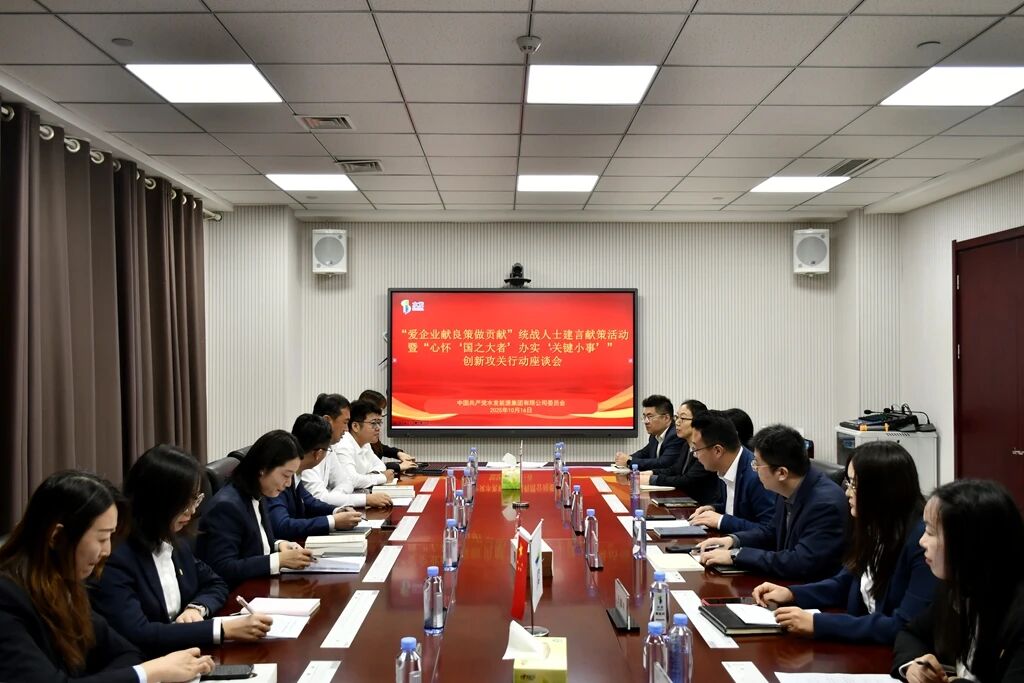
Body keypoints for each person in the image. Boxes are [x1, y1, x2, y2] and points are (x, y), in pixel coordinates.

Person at [0, 470, 214, 683]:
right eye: (102, 538)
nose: (107, 551)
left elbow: (127, 652)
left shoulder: (66, 585)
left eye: (111, 537)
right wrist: (149, 672)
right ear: (57, 537)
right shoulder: (7, 597)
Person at [91, 445, 273, 656]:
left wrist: (196, 607)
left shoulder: (174, 540)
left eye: (196, 499)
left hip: (187, 654)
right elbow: (138, 633)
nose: (192, 511)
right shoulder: (116, 556)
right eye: (185, 502)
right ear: (157, 500)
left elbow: (215, 583)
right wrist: (221, 629)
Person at [752, 442, 935, 643]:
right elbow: (845, 582)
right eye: (848, 483)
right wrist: (791, 594)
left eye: (854, 485)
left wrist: (819, 623)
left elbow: (903, 625)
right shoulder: (875, 527)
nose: (847, 492)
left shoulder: (921, 544)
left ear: (882, 490)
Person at [893, 479, 1024, 682]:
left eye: (931, 532)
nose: (921, 541)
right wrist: (914, 665)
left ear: (969, 543)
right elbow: (911, 634)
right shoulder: (959, 586)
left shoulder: (1017, 613)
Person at [697, 424, 848, 582]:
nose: (754, 469)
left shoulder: (824, 504)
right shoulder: (789, 487)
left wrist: (736, 555)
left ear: (781, 473)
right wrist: (733, 540)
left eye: (757, 464)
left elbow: (800, 562)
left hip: (812, 588)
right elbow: (771, 532)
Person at [197, 430, 314, 587]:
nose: (288, 484)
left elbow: (253, 542)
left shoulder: (258, 492)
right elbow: (222, 568)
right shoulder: (226, 506)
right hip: (237, 593)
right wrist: (279, 560)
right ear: (263, 468)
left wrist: (279, 545)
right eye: (286, 475)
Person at [267, 414, 363, 541]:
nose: (288, 482)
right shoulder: (279, 476)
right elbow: (282, 526)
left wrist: (337, 511)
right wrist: (332, 521)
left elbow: (309, 502)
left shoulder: (296, 473)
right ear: (318, 453)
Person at [684, 410, 775, 533]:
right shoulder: (725, 465)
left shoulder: (757, 476)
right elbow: (734, 508)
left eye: (696, 449)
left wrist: (721, 521)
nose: (695, 455)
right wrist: (713, 509)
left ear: (717, 451)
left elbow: (770, 531)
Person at [302, 396, 393, 509]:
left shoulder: (329, 447)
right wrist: (366, 499)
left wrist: (334, 497)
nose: (346, 429)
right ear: (327, 420)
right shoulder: (308, 452)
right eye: (345, 422)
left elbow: (346, 482)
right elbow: (320, 499)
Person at [638, 399, 721, 505]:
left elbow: (687, 480)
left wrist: (652, 479)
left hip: (701, 506)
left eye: (683, 418)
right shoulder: (686, 445)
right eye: (677, 417)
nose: (677, 422)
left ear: (698, 422)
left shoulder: (705, 448)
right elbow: (675, 470)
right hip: (686, 502)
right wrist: (651, 472)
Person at [614, 395, 683, 471]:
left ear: (666, 418)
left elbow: (663, 463)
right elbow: (643, 453)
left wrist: (629, 461)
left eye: (650, 417)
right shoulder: (654, 435)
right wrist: (625, 458)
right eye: (644, 417)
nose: (646, 421)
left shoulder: (675, 435)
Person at [359, 389, 417, 473]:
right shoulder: (354, 440)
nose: (378, 428)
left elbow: (379, 450)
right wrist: (398, 467)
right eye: (380, 410)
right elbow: (369, 468)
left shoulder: (368, 441)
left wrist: (398, 453)